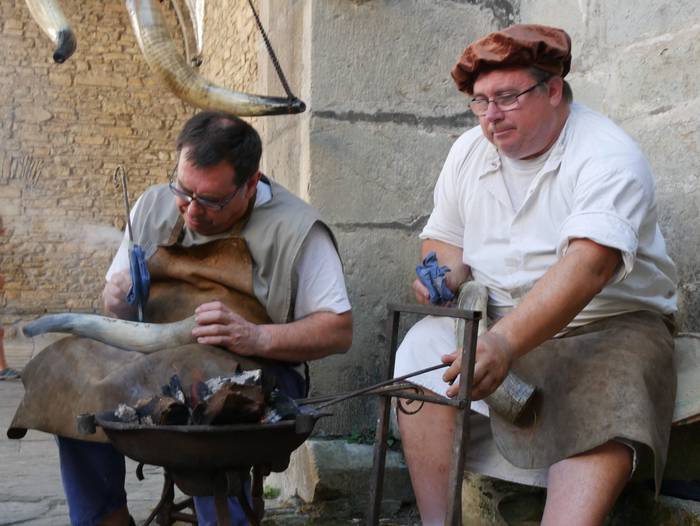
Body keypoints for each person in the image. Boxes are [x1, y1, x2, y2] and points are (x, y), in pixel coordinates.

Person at [393, 24, 677, 525]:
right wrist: (442, 273)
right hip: (495, 319)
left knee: (610, 388)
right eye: (480, 102)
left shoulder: (607, 153)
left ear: (553, 89)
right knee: (420, 351)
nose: (491, 116)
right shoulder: (468, 151)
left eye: (507, 97)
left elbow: (590, 266)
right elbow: (444, 240)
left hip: (603, 327)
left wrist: (503, 345)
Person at [55, 112, 353, 525]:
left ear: (250, 184)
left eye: (212, 200)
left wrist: (257, 337)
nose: (192, 210)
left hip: (255, 372)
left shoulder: (298, 229)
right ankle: (105, 519)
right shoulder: (152, 206)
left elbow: (338, 330)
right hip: (152, 362)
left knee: (211, 399)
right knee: (72, 379)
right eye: (183, 190)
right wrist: (119, 300)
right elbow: (116, 308)